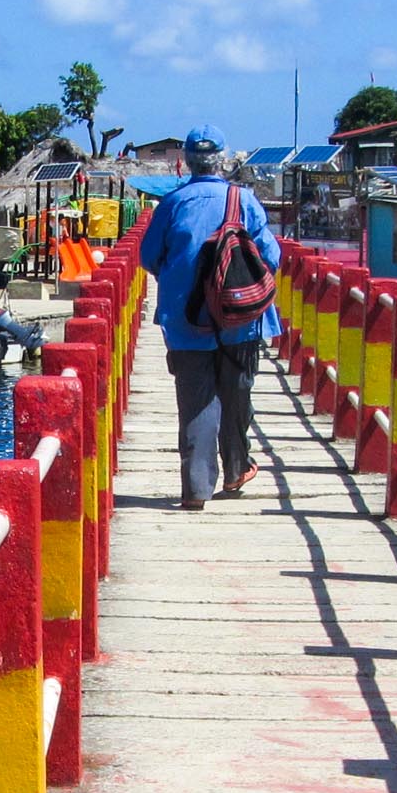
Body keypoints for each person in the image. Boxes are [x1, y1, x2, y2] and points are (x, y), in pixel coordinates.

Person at [136, 124, 280, 511]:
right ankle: (236, 469)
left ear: (185, 161)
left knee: (197, 402)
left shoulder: (171, 204)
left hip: (186, 321)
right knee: (237, 395)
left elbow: (148, 257)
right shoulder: (244, 201)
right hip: (241, 319)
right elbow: (272, 256)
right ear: (223, 160)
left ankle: (197, 489)